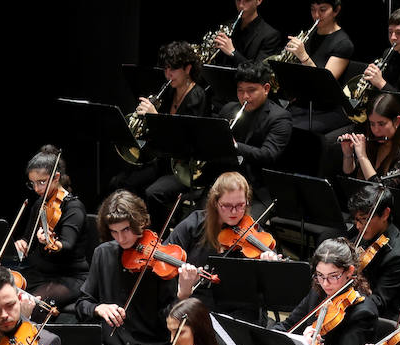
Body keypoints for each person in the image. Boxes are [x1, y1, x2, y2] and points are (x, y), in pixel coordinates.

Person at [76, 190, 179, 345]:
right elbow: (82, 305)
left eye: (126, 230)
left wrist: (183, 292)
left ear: (140, 223)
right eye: (114, 232)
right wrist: (98, 308)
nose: (121, 238)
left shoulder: (159, 263)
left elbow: (170, 318)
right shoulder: (102, 253)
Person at [113, 41, 212, 222]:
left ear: (188, 68)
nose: (168, 74)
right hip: (164, 160)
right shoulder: (169, 92)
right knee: (123, 182)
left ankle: (156, 238)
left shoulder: (197, 97)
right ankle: (133, 227)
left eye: (173, 69)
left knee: (154, 193)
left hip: (184, 166)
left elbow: (185, 141)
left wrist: (154, 116)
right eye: (166, 69)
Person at [165, 171, 278, 313]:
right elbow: (168, 251)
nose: (234, 211)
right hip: (198, 303)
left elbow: (269, 286)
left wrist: (270, 263)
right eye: (227, 205)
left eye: (240, 205)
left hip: (241, 308)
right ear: (215, 202)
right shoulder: (194, 224)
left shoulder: (252, 230)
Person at [13, 145, 90, 312]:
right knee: (6, 293)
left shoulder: (73, 207)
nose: (37, 189)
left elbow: (67, 245)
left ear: (56, 177)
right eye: (32, 183)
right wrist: (23, 243)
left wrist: (49, 241)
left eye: (42, 182)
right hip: (40, 273)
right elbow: (29, 238)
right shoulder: (40, 203)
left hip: (70, 277)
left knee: (33, 305)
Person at [281, 0, 355, 136]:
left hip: (326, 109)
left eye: (322, 10)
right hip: (301, 103)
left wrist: (303, 56)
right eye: (313, 10)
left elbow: (324, 87)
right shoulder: (309, 35)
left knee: (289, 127)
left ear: (336, 10)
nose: (316, 15)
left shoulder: (343, 43)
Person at [217, 61, 292, 194]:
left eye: (251, 90)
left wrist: (234, 145)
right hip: (225, 180)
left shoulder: (280, 118)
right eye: (240, 91)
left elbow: (267, 155)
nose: (245, 96)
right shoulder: (228, 109)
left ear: (266, 89)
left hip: (257, 187)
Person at [341, 184, 400, 315]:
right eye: (356, 219)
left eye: (364, 219)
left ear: (385, 214)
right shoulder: (365, 233)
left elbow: (379, 301)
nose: (358, 226)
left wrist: (342, 301)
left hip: (376, 317)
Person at [339, 93, 400, 187]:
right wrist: (348, 155)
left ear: (397, 121)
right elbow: (351, 177)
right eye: (372, 124)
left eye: (381, 124)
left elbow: (380, 191)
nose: (376, 130)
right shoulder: (371, 140)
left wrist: (362, 156)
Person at [212, 0, 283, 66]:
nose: (241, 5)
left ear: (259, 0)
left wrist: (233, 53)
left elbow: (259, 72)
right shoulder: (229, 27)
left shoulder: (270, 36)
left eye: (247, 0)